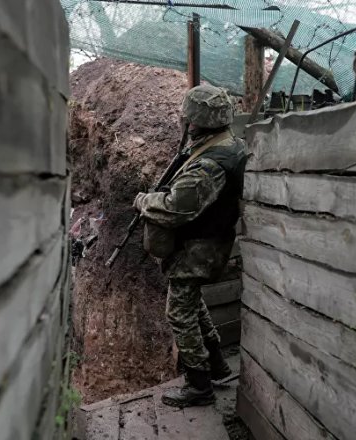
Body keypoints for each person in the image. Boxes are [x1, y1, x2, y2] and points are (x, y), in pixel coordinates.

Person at [133, 84, 247, 408]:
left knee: (179, 314)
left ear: (197, 121)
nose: (185, 123)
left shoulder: (210, 163)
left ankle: (199, 387)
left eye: (188, 118)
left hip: (199, 249)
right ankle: (218, 367)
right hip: (207, 244)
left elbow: (174, 206)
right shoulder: (225, 144)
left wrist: (144, 201)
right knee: (192, 305)